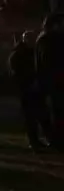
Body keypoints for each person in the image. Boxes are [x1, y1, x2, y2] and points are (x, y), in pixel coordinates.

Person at [8, 30, 49, 152]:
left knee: (38, 116)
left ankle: (38, 140)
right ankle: (35, 141)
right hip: (27, 89)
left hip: (31, 89)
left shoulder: (25, 53)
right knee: (33, 117)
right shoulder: (19, 54)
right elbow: (16, 73)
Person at [36, 13, 64, 149]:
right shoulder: (50, 40)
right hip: (55, 82)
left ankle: (55, 138)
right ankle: (56, 139)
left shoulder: (44, 39)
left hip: (53, 81)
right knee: (57, 112)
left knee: (56, 111)